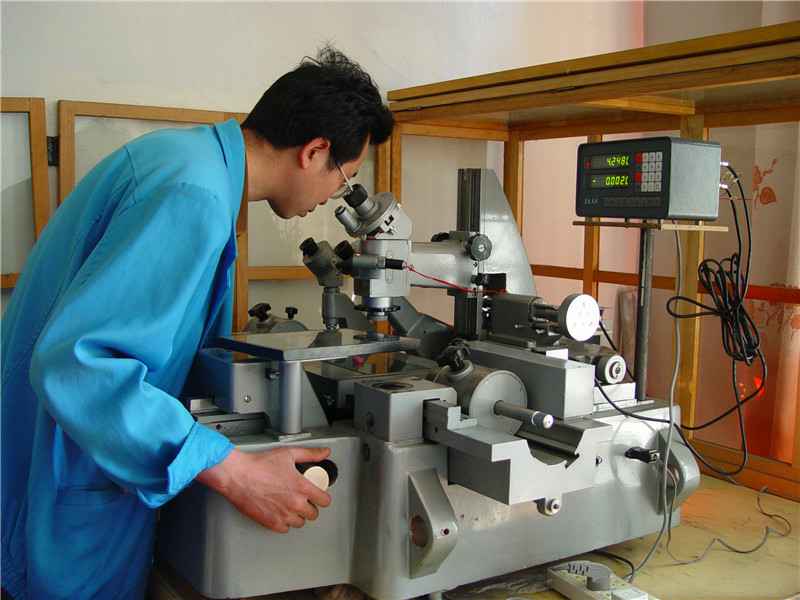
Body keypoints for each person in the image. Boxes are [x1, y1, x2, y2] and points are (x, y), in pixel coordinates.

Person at [1, 47, 394, 600]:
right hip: (72, 481)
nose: (335, 196)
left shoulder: (184, 159)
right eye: (345, 178)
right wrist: (235, 470)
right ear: (315, 151)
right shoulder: (195, 194)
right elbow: (80, 365)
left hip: (73, 462)